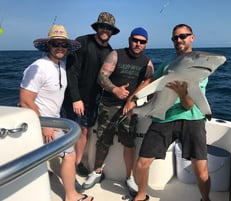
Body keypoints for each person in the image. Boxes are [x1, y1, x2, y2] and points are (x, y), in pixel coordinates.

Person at [124, 24, 211, 201]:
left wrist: (182, 93)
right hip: (163, 116)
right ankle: (141, 195)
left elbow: (188, 106)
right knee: (141, 164)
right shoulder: (168, 64)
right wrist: (131, 99)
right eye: (175, 37)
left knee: (201, 171)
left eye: (183, 36)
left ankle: (205, 199)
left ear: (192, 37)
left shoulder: (201, 67)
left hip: (192, 117)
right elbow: (150, 80)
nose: (179, 40)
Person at [19, 24, 94, 201]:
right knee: (69, 155)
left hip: (53, 120)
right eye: (56, 44)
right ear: (48, 46)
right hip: (41, 122)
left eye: (64, 45)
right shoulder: (38, 67)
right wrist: (45, 125)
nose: (60, 48)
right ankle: (71, 196)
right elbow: (25, 100)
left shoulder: (61, 66)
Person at [82, 27, 154, 195]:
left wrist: (136, 103)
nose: (138, 44)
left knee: (129, 144)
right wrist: (115, 90)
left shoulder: (147, 63)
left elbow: (149, 87)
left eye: (141, 41)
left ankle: (129, 177)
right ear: (129, 40)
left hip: (131, 110)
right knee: (103, 141)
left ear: (146, 43)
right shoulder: (116, 55)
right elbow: (101, 77)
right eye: (135, 40)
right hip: (109, 105)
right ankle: (97, 171)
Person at [62, 12, 120, 177]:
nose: (105, 30)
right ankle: (65, 161)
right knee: (68, 131)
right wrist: (76, 98)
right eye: (102, 26)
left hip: (92, 101)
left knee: (85, 132)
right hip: (73, 99)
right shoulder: (81, 42)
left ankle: (77, 163)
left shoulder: (110, 51)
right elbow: (71, 72)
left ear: (112, 31)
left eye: (109, 28)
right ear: (97, 27)